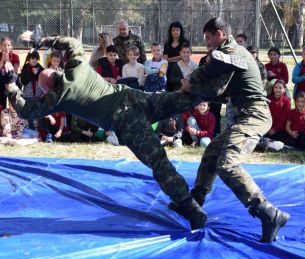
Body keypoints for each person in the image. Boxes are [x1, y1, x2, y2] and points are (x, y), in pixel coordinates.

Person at [8, 31, 207, 230]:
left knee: (158, 162)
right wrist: (41, 41)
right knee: (178, 100)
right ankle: (220, 89)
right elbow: (72, 43)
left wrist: (10, 85)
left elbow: (26, 110)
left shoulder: (57, 97)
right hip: (133, 97)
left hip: (124, 119)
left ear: (47, 89)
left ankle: (191, 210)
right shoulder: (77, 67)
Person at [178, 17, 290, 243]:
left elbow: (215, 84)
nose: (207, 43)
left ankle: (269, 213)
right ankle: (195, 205)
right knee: (211, 154)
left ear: (219, 34)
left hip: (254, 115)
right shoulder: (227, 53)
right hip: (244, 116)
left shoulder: (231, 52)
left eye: (208, 38)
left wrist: (191, 83)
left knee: (227, 163)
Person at [163, 21, 190, 92]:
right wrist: (172, 59)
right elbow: (165, 58)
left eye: (177, 30)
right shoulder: (167, 43)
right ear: (170, 32)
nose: (175, 32)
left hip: (182, 64)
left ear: (180, 31)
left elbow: (182, 57)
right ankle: (166, 91)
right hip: (169, 65)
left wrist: (169, 59)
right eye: (173, 30)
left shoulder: (185, 42)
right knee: (164, 70)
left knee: (175, 69)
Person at [0, 37, 20, 109]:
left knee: (14, 105)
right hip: (1, 84)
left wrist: (8, 61)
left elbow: (15, 72)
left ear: (11, 46)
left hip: (12, 83)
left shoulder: (15, 57)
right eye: (4, 45)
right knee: (2, 104)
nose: (6, 47)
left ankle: (14, 119)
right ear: (1, 46)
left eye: (8, 45)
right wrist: (2, 60)